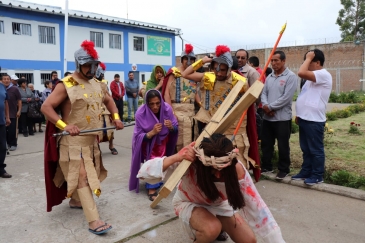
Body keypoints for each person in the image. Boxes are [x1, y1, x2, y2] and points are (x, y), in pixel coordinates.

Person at [137, 133, 285, 243]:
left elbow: (259, 210)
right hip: (188, 202)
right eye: (214, 170)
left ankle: (217, 224)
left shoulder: (237, 171)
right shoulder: (191, 163)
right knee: (211, 229)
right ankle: (207, 230)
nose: (219, 175)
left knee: (249, 240)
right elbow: (143, 174)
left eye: (223, 169)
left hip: (220, 205)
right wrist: (176, 157)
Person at [41, 40, 124, 235]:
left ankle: (76, 200)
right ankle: (94, 220)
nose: (92, 69)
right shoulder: (66, 84)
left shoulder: (98, 84)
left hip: (91, 141)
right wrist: (65, 125)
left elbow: (109, 100)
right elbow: (46, 107)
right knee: (83, 177)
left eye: (95, 65)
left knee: (89, 174)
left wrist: (116, 117)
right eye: (88, 65)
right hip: (72, 143)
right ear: (78, 63)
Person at [182, 45, 261, 180]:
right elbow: (186, 74)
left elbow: (246, 108)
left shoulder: (240, 82)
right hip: (211, 127)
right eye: (215, 69)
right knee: (211, 162)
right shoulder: (208, 77)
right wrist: (203, 61)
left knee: (235, 164)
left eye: (222, 70)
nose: (218, 73)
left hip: (233, 128)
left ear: (229, 68)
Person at [129, 89, 178, 201]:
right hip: (149, 144)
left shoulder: (167, 109)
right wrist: (151, 133)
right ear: (147, 103)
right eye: (151, 104)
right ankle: (151, 187)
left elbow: (175, 127)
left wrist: (171, 127)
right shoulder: (140, 113)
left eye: (157, 103)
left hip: (163, 142)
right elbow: (137, 136)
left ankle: (157, 181)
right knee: (153, 161)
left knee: (161, 161)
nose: (155, 107)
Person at [293, 49, 332, 185]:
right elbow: (305, 96)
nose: (306, 63)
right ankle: (306, 171)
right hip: (305, 118)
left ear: (317, 62)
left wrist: (308, 57)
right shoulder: (312, 78)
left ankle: (317, 175)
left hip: (314, 120)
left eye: (308, 61)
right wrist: (300, 114)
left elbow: (300, 72)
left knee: (315, 149)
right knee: (306, 148)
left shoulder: (323, 74)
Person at [260, 51, 297, 180]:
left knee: (283, 145)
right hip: (268, 118)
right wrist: (265, 106)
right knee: (266, 144)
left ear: (283, 61)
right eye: (272, 61)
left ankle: (283, 169)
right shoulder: (269, 77)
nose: (274, 63)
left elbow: (286, 98)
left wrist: (270, 107)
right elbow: (263, 93)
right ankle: (267, 166)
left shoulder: (290, 77)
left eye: (277, 60)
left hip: (282, 118)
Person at [162, 44, 198, 151]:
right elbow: (166, 93)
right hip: (176, 110)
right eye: (186, 58)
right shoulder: (174, 72)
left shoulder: (195, 74)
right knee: (177, 142)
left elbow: (195, 93)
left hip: (191, 112)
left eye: (191, 59)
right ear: (182, 60)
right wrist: (170, 112)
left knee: (191, 139)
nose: (188, 61)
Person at [95, 63, 118, 155]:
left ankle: (111, 146)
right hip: (95, 111)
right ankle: (96, 148)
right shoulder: (90, 83)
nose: (102, 75)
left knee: (110, 129)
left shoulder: (104, 84)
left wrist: (115, 112)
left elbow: (109, 97)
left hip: (106, 110)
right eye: (101, 74)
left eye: (103, 74)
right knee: (97, 131)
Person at [2, 74, 21, 151]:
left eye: (8, 79)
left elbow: (19, 100)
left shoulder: (14, 89)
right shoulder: (1, 89)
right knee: (3, 131)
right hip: (2, 114)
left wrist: (19, 110)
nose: (6, 80)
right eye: (4, 79)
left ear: (10, 80)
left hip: (12, 113)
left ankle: (13, 144)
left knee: (12, 130)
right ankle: (5, 144)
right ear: (1, 80)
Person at [0, 82, 11, 178]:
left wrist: (7, 117)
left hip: (1, 122)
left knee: (2, 147)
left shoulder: (2, 86)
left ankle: (1, 169)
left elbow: (5, 102)